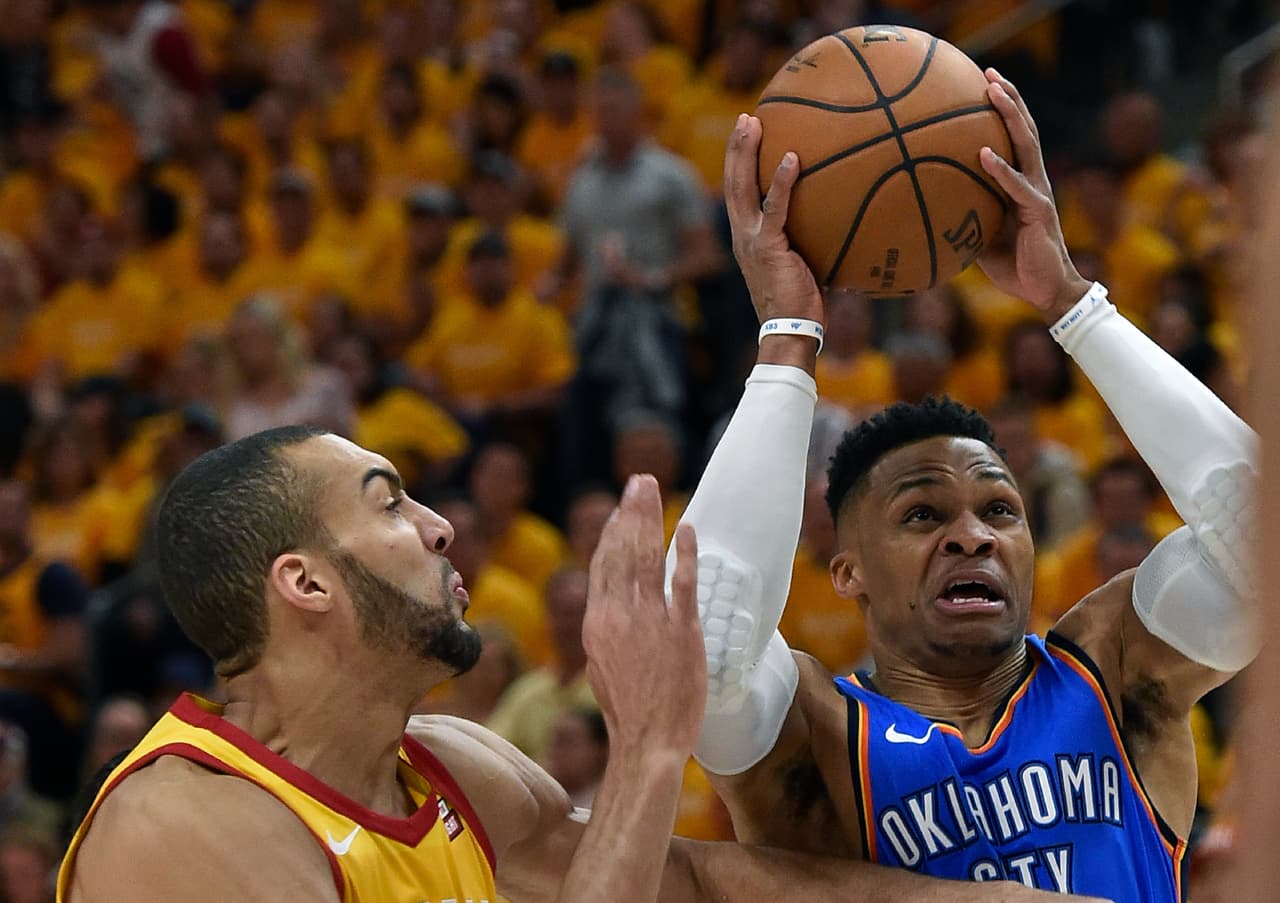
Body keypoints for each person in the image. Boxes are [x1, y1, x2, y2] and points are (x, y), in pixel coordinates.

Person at [52, 429, 1085, 903]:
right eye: (388, 502)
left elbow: (695, 884)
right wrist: (644, 749)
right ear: (305, 585)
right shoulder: (178, 830)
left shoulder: (448, 766)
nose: (441, 526)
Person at [675, 73, 1255, 901]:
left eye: (999, 509)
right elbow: (705, 641)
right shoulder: (821, 739)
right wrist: (789, 330)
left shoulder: (1111, 671)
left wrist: (1070, 302)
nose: (972, 535)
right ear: (848, 572)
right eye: (921, 513)